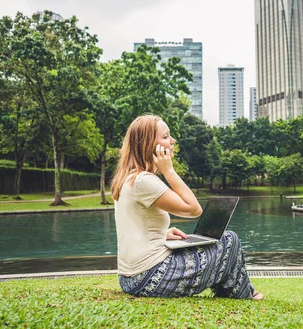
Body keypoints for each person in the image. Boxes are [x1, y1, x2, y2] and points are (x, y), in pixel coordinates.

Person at [111, 114, 263, 300]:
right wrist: (169, 171)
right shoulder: (143, 180)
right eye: (166, 137)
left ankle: (241, 291)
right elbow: (193, 209)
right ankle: (243, 292)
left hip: (130, 278)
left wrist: (162, 233)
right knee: (230, 241)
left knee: (219, 242)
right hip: (150, 278)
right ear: (150, 144)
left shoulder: (129, 178)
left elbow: (132, 225)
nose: (173, 141)